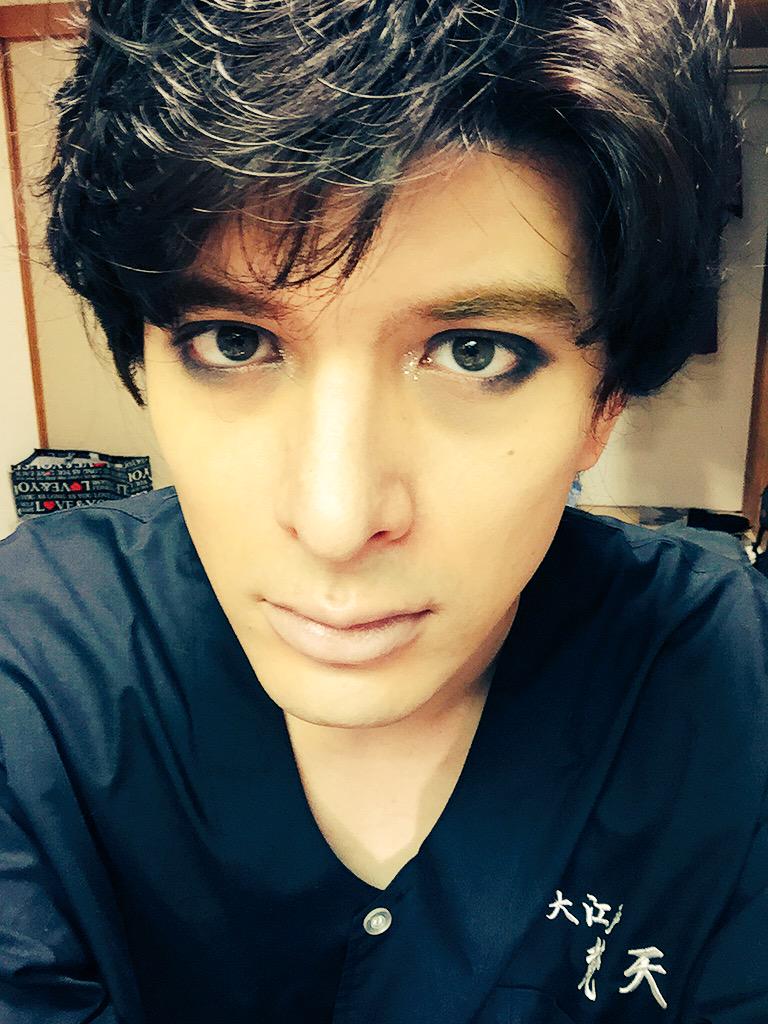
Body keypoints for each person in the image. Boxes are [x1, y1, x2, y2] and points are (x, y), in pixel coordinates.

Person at [0, 0, 765, 1020]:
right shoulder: (35, 671)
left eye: (474, 352)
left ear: (604, 404)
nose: (336, 519)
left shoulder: (733, 688)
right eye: (234, 341)